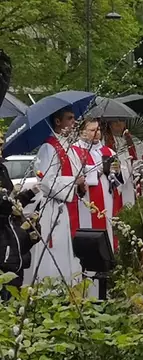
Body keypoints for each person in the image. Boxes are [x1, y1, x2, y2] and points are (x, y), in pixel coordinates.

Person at [33, 107, 82, 283]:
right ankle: (52, 292)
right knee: (56, 253)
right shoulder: (48, 147)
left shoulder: (68, 147)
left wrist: (80, 181)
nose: (73, 122)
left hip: (69, 206)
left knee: (70, 253)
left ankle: (72, 289)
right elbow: (46, 181)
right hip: (54, 209)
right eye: (69, 118)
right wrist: (74, 181)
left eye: (74, 118)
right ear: (58, 121)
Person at [68, 118, 123, 248]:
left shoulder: (109, 151)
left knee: (109, 227)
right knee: (89, 227)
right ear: (82, 132)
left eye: (98, 129)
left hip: (107, 197)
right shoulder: (74, 151)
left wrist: (117, 170)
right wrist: (97, 171)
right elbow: (75, 174)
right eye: (92, 130)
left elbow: (119, 179)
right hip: (87, 199)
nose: (97, 133)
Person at [0, 135, 40, 298]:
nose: (1, 148)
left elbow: (10, 199)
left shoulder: (2, 168)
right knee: (6, 279)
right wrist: (9, 207)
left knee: (15, 277)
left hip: (11, 231)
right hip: (3, 233)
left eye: (1, 144)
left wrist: (30, 193)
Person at [103, 119, 143, 208]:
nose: (119, 124)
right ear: (109, 123)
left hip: (132, 182)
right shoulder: (104, 141)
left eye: (121, 120)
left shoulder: (134, 141)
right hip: (114, 184)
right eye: (115, 121)